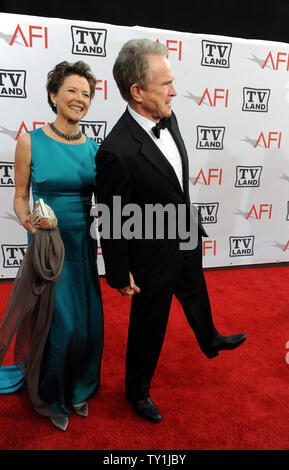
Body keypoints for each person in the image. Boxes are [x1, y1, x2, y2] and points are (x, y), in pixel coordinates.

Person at [95, 39, 247, 423]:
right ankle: (137, 391)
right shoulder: (116, 149)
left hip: (184, 233)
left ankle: (209, 337)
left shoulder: (170, 116)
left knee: (195, 286)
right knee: (150, 322)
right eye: (165, 84)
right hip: (149, 252)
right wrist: (118, 270)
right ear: (137, 91)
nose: (175, 91)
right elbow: (112, 213)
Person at [0, 61, 104, 431]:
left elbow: (104, 200)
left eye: (87, 94)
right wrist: (29, 221)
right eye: (73, 91)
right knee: (59, 325)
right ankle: (51, 393)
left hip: (83, 247)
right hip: (48, 249)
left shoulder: (94, 148)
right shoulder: (30, 141)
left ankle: (80, 387)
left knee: (87, 325)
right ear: (53, 95)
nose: (80, 99)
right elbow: (19, 198)